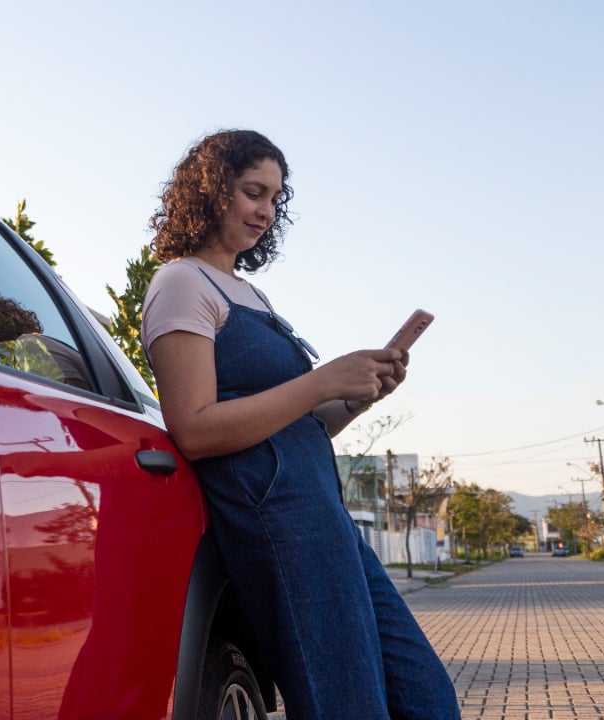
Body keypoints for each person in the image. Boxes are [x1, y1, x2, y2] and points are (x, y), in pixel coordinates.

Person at [141, 129, 460, 719]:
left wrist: (357, 395)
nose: (264, 211)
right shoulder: (180, 282)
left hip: (324, 516)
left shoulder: (249, 294)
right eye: (251, 192)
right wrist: (321, 380)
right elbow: (194, 429)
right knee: (347, 704)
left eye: (274, 199)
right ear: (211, 191)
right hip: (280, 526)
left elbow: (296, 430)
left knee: (426, 698)